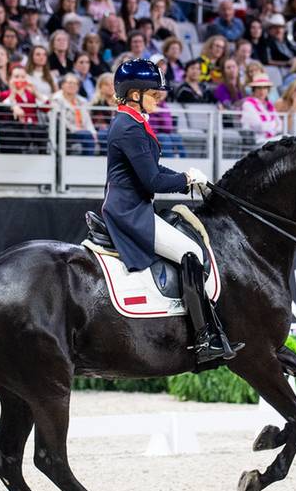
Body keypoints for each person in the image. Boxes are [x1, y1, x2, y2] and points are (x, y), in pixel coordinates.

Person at [101, 58, 239, 362]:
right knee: (192, 252)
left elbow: (152, 168)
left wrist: (187, 179)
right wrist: (186, 181)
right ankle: (205, 338)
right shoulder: (129, 127)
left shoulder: (133, 121)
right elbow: (151, 179)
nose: (158, 99)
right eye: (153, 94)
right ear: (134, 93)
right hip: (129, 211)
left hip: (133, 205)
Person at [239, 72, 281, 141]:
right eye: (259, 88)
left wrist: (271, 126)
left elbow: (279, 125)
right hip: (257, 140)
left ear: (268, 90)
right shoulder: (248, 104)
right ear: (254, 90)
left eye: (265, 88)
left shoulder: (269, 105)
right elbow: (258, 126)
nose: (262, 91)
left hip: (271, 139)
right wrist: (273, 125)